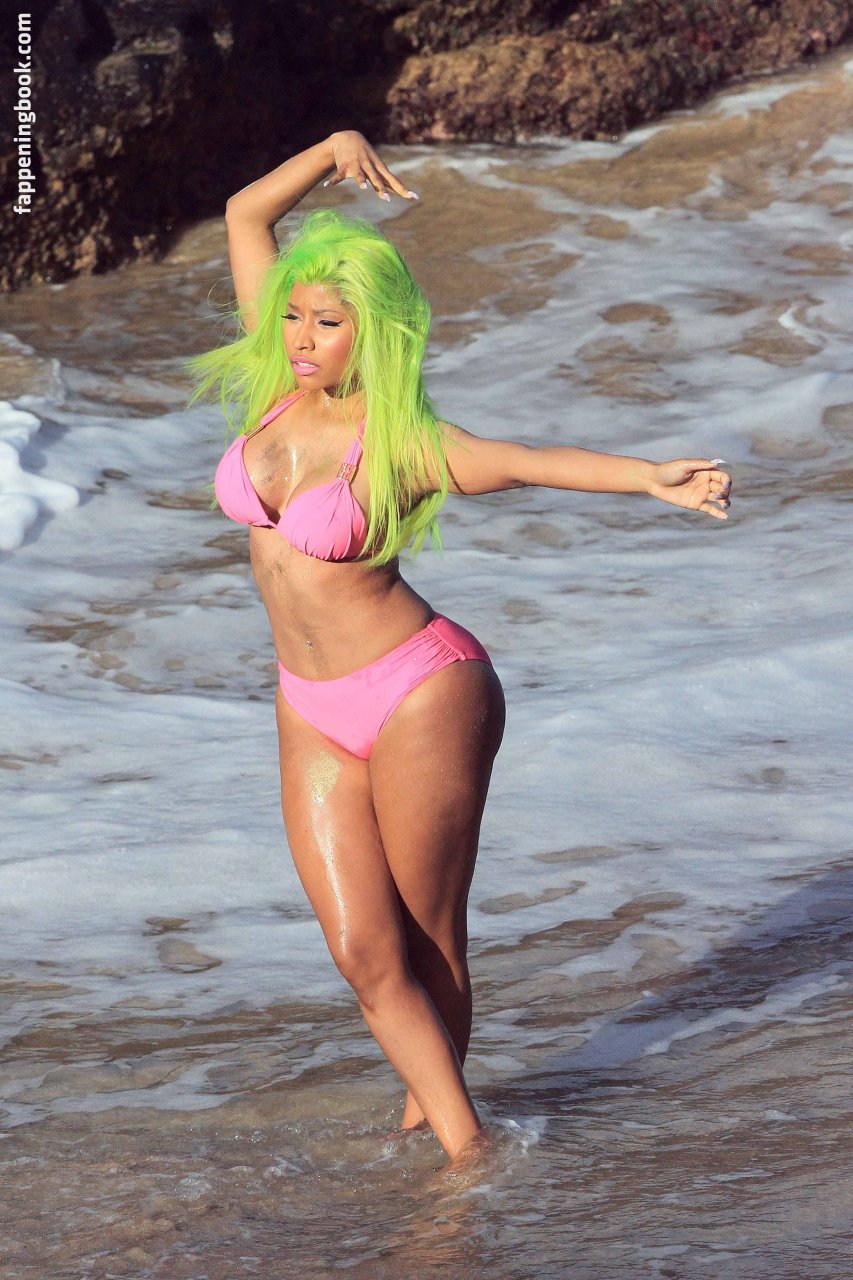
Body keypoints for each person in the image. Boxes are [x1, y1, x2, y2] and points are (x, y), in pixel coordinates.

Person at [186, 130, 732, 1169]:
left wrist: (647, 476)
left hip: (420, 691)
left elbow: (525, 461)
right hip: (307, 702)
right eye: (296, 314)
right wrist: (331, 149)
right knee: (362, 949)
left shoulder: (405, 442)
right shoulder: (275, 387)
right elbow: (245, 216)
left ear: (374, 332)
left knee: (428, 936)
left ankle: (459, 1155)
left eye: (328, 322)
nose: (301, 337)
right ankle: (452, 1142)